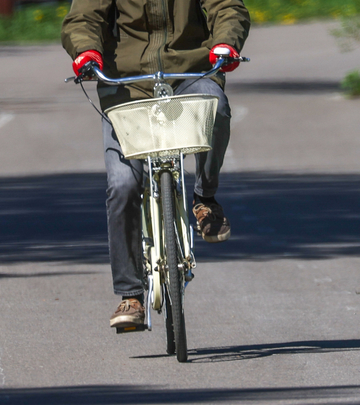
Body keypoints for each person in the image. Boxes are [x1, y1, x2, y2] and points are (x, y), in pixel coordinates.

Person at [61, 0, 250, 328]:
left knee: (215, 108)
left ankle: (205, 199)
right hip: (125, 84)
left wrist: (225, 43)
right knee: (123, 185)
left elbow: (227, 5)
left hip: (189, 72)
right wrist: (86, 51)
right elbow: (84, 17)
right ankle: (131, 294)